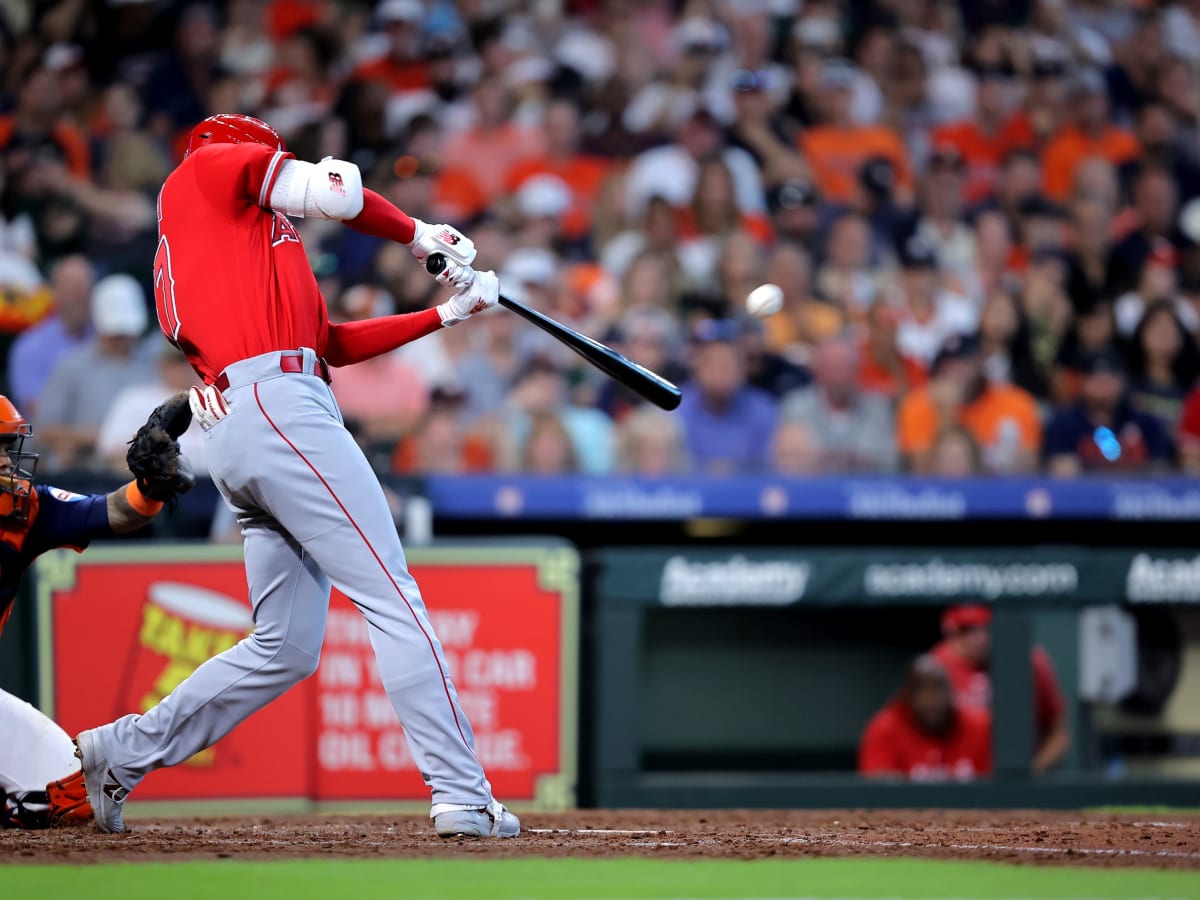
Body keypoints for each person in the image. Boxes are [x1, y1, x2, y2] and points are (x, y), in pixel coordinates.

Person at [72, 114, 520, 839]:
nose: (273, 165)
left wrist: (446, 314)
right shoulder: (205, 172)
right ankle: (462, 794)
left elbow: (330, 344)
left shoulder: (230, 244)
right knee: (393, 594)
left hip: (251, 422)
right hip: (279, 408)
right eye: (267, 154)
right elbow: (339, 191)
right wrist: (417, 234)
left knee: (284, 646)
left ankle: (116, 755)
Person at [0, 392, 194, 827]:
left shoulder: (25, 508)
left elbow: (111, 512)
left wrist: (149, 489)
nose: (5, 461)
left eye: (6, 448)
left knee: (69, 795)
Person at [34, 273, 158, 470]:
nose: (123, 339)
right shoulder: (72, 366)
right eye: (116, 334)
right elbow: (45, 430)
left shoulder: (153, 363)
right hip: (89, 472)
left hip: (147, 470)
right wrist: (108, 437)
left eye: (127, 333)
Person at [931, 605, 1070, 775]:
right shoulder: (935, 665)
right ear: (949, 630)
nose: (978, 638)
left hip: (1015, 777)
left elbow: (1059, 734)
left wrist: (1030, 775)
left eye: (985, 628)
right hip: (956, 780)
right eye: (965, 630)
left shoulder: (1030, 662)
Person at [858, 654, 992, 782]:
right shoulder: (885, 729)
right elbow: (878, 793)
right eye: (922, 690)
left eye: (938, 688)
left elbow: (994, 790)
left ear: (951, 691)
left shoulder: (980, 727)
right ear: (907, 695)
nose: (931, 699)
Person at [1044, 348, 1174, 476]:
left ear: (1122, 382)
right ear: (1083, 383)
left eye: (1109, 380)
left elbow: (1160, 471)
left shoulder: (1146, 424)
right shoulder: (1063, 424)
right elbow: (1060, 473)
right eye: (1096, 380)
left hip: (1134, 495)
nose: (1103, 388)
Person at [778, 336, 897, 472]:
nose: (841, 376)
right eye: (834, 367)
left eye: (847, 367)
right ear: (817, 371)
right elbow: (789, 463)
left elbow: (889, 461)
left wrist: (827, 459)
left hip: (865, 490)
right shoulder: (796, 406)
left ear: (857, 370)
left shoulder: (877, 408)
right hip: (812, 489)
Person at [677, 318, 777, 474]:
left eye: (728, 364)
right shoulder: (675, 408)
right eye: (712, 363)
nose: (721, 373)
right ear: (697, 367)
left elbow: (770, 469)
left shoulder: (763, 410)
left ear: (743, 369)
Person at [6, 255, 95, 413]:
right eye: (74, 288)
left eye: (87, 287)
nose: (82, 295)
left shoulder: (105, 337)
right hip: (47, 435)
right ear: (55, 292)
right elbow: (37, 410)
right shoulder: (30, 346)